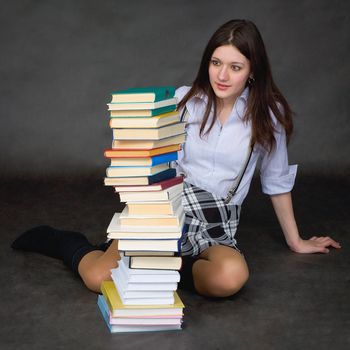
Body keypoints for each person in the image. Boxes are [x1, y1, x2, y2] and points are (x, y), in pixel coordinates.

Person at [11, 19, 341, 297]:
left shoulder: (268, 115)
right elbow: (145, 155)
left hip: (216, 221)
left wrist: (296, 240)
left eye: (235, 67)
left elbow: (276, 178)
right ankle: (67, 242)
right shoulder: (184, 101)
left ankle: (167, 270)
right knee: (100, 280)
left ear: (252, 72)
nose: (222, 76)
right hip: (165, 209)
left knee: (229, 279)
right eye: (216, 63)